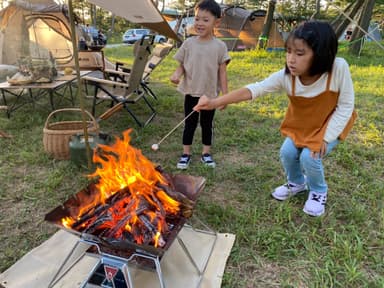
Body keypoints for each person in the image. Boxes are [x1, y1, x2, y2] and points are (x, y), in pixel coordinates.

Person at [193, 20, 357, 217]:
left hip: (329, 125)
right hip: (303, 125)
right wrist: (213, 102)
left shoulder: (338, 68)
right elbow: (255, 88)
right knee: (287, 152)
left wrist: (325, 138)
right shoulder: (287, 76)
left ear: (321, 54)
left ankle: (318, 191)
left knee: (309, 156)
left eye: (299, 53)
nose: (291, 59)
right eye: (288, 52)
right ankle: (296, 183)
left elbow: (346, 105)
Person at [170, 0, 230, 169]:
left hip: (209, 96)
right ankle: (186, 153)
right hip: (191, 92)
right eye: (197, 19)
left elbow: (223, 72)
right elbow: (182, 64)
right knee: (189, 124)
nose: (200, 23)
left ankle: (206, 153)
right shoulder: (188, 43)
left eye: (205, 20)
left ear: (216, 22)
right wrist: (176, 74)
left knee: (206, 125)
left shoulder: (220, 46)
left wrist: (225, 96)